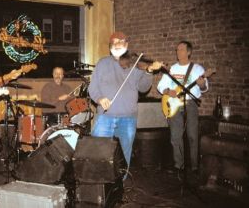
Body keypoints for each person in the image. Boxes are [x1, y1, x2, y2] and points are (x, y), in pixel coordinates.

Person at [88, 32, 163, 177]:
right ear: (110, 47)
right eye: (114, 42)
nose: (117, 45)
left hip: (128, 117)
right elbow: (93, 87)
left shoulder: (135, 65)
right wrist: (99, 98)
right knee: (99, 152)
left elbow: (143, 87)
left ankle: (120, 186)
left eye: (120, 42)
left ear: (126, 45)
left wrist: (148, 72)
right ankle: (99, 187)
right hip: (105, 116)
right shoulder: (103, 63)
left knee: (125, 154)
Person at [157, 40, 208, 175]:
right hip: (173, 103)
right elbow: (160, 86)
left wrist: (202, 84)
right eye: (177, 50)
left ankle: (194, 166)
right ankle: (178, 165)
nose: (178, 52)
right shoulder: (172, 69)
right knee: (175, 136)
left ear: (189, 52)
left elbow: (204, 88)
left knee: (192, 135)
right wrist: (168, 91)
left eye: (181, 49)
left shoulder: (197, 69)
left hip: (190, 103)